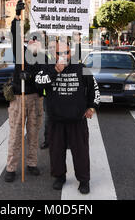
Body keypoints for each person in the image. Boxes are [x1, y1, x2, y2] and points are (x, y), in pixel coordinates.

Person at [35, 41, 101, 194]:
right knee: (56, 151)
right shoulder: (47, 68)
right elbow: (38, 83)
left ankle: (84, 180)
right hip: (56, 119)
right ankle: (59, 176)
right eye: (59, 53)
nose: (63, 56)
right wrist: (55, 71)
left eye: (66, 53)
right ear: (53, 54)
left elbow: (94, 89)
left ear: (71, 53)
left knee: (81, 152)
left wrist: (92, 107)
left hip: (77, 119)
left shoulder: (81, 68)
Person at [4, 0, 47, 183]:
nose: (33, 42)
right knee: (15, 134)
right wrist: (17, 15)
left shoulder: (45, 59)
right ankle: (11, 167)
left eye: (36, 40)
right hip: (18, 98)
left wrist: (30, 77)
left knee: (33, 133)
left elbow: (45, 80)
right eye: (31, 39)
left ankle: (31, 163)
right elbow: (15, 35)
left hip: (36, 99)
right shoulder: (20, 53)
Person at [40, 38, 58, 150]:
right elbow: (43, 75)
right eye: (50, 47)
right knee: (48, 119)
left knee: (63, 118)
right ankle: (48, 141)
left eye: (54, 47)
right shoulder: (45, 60)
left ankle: (65, 140)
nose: (52, 49)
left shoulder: (64, 58)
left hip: (62, 94)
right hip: (49, 95)